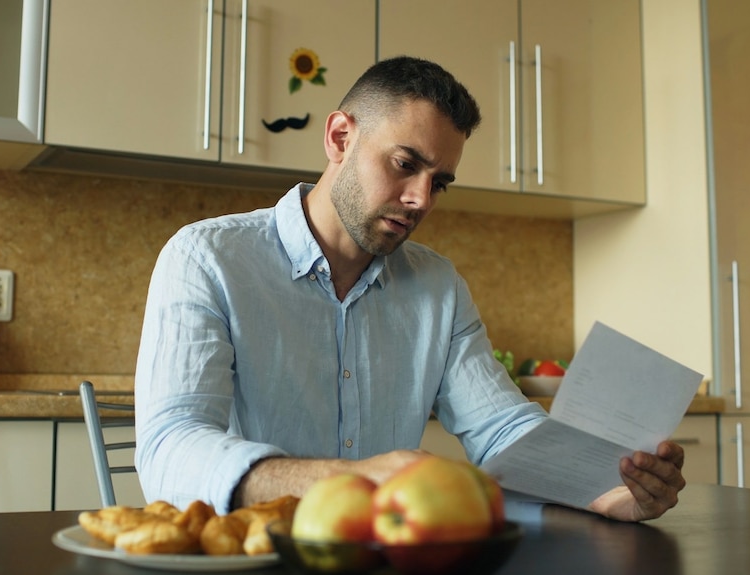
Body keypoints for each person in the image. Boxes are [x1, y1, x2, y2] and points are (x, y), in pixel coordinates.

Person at [134, 56, 686, 523]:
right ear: (340, 137)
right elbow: (169, 451)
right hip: (254, 558)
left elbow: (501, 428)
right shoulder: (207, 258)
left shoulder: (438, 287)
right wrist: (345, 479)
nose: (422, 199)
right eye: (405, 164)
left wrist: (602, 489)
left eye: (439, 182)